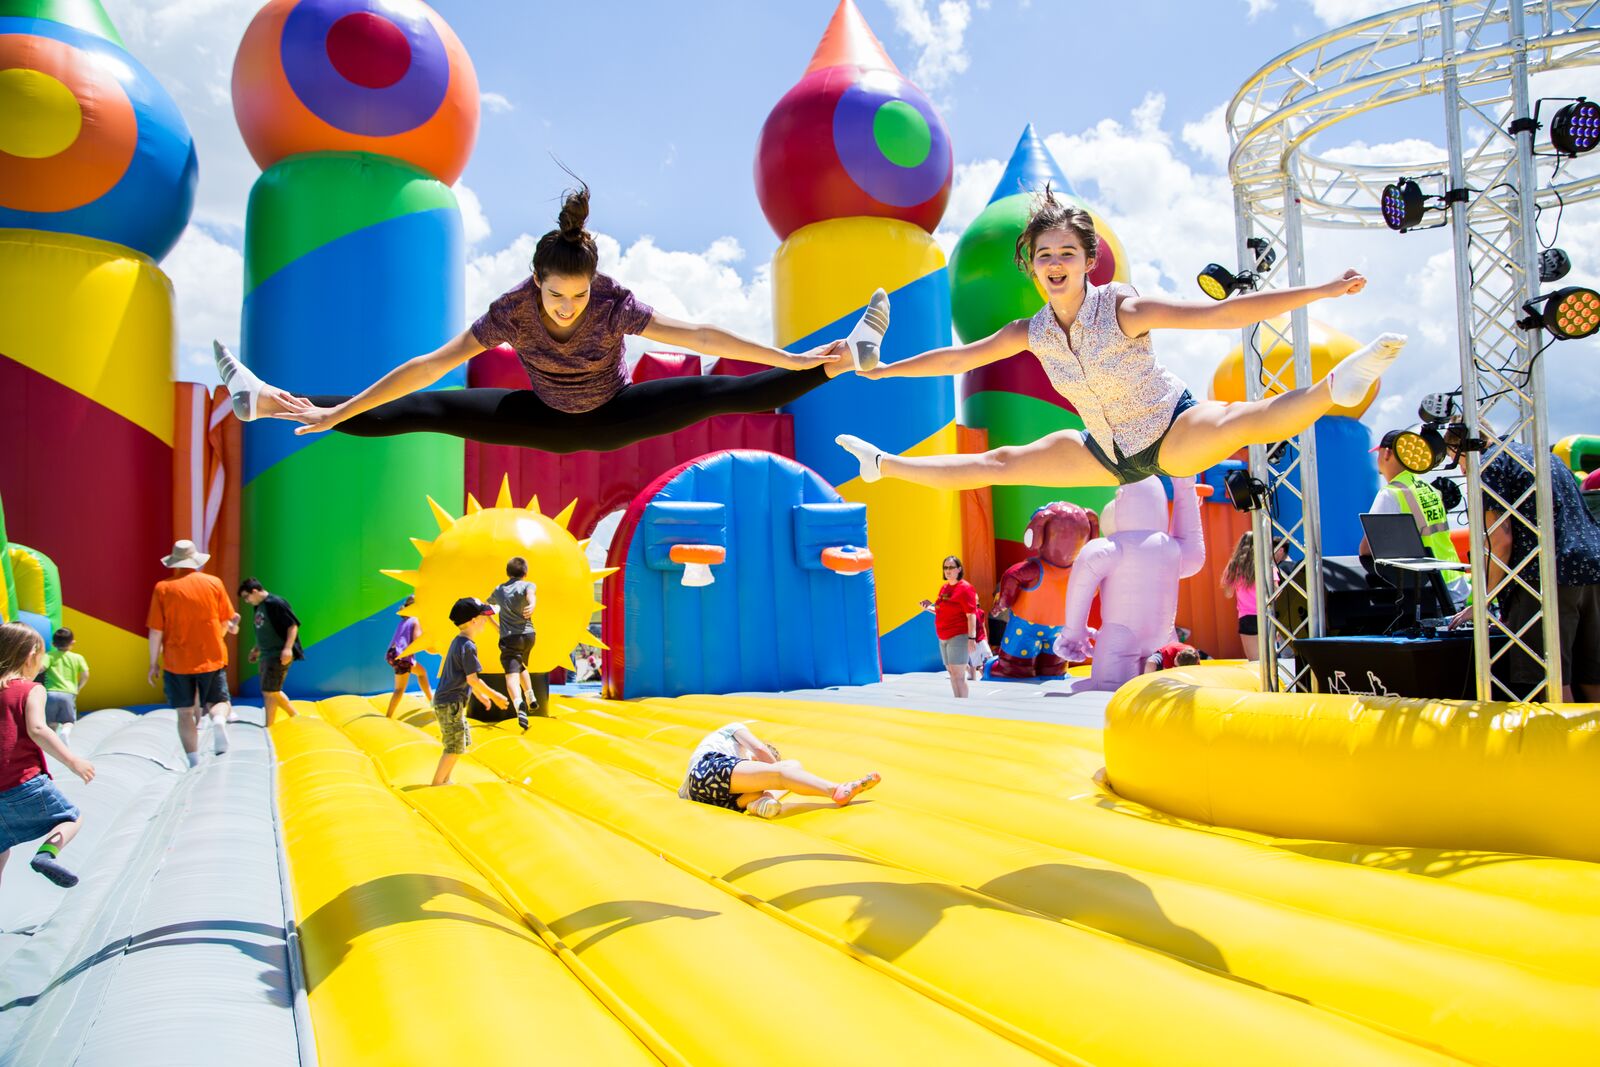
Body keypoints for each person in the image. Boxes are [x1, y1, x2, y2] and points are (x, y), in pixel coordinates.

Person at [212, 183, 885, 453]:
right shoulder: (512, 310)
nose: (568, 307)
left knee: (722, 391)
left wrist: (795, 357)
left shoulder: (615, 302)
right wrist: (333, 414)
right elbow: (429, 365)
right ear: (537, 283)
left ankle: (839, 357)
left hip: (614, 413)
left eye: (578, 295)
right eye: (557, 295)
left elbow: (702, 335)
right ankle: (268, 400)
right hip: (539, 417)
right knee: (427, 407)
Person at [835, 188, 1403, 490]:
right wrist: (884, 371)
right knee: (998, 462)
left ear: (1088, 261)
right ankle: (882, 466)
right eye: (1044, 256)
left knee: (1242, 421)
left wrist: (1322, 290)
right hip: (1103, 451)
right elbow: (959, 357)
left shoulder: (1124, 307)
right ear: (1031, 268)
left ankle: (1336, 385)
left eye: (1067, 254)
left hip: (1171, 429)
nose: (1055, 263)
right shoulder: (1029, 332)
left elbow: (1224, 314)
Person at [1449, 436, 1600, 702]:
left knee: (1552, 683)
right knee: (1591, 678)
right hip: (1590, 567)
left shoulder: (1489, 465)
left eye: (1456, 461)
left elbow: (1501, 541)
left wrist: (1484, 600)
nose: (1461, 470)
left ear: (1460, 448)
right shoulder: (1547, 457)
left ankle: (1560, 744)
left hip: (1543, 578)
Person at [0, 622, 95, 889]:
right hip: (24, 783)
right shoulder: (31, 690)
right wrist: (72, 760)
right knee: (72, 818)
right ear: (30, 655)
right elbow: (38, 729)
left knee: (1, 849)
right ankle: (46, 855)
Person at [147, 540, 239, 768]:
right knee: (219, 701)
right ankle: (218, 720)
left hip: (177, 660)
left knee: (185, 713)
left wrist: (153, 663)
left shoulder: (163, 588)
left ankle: (193, 759)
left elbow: (156, 631)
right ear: (195, 560)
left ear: (174, 562)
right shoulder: (213, 583)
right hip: (212, 656)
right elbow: (227, 621)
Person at [1358, 429, 1469, 608]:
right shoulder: (1430, 489)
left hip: (1430, 591)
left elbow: (1367, 550)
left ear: (1387, 453)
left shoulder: (1391, 493)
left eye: (1378, 453)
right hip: (1454, 582)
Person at [678, 721, 880, 818]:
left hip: (709, 796)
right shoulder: (732, 730)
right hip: (706, 769)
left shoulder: (740, 772)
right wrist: (776, 766)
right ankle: (834, 789)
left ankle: (760, 802)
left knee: (789, 771)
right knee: (789, 769)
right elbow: (758, 748)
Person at [430, 598, 509, 787]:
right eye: (484, 617)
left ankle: (445, 779)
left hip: (450, 701)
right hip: (450, 703)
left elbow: (463, 677)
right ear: (474, 620)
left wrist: (480, 696)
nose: (486, 621)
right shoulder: (467, 646)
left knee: (461, 741)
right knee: (453, 746)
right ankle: (437, 783)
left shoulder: (459, 642)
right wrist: (495, 696)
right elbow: (473, 679)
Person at [487, 557, 544, 729]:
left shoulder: (499, 589)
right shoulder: (528, 585)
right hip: (529, 636)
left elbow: (486, 608)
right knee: (522, 666)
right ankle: (531, 696)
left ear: (507, 572)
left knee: (511, 675)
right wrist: (532, 605)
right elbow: (531, 596)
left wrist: (496, 626)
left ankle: (519, 703)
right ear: (525, 573)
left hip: (510, 638)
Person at [238, 578, 303, 726]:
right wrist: (256, 649)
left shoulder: (275, 603)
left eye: (246, 597)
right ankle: (294, 715)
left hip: (277, 653)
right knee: (272, 690)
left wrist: (287, 649)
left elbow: (292, 626)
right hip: (267, 653)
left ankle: (270, 725)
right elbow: (264, 631)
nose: (247, 601)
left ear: (254, 591)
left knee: (269, 691)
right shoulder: (259, 606)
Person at [918, 556, 980, 698]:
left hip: (958, 635)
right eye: (945, 568)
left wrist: (972, 638)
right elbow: (941, 610)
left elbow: (971, 615)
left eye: (951, 567)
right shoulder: (944, 588)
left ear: (959, 569)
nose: (948, 571)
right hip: (943, 636)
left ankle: (963, 705)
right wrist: (929, 607)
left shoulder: (965, 588)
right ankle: (957, 703)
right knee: (952, 673)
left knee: (958, 675)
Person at [385, 596, 433, 718]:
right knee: (400, 689)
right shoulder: (415, 620)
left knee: (422, 672)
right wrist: (429, 647)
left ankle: (432, 701)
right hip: (402, 657)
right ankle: (388, 716)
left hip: (393, 653)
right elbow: (417, 640)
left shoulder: (404, 620)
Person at [41, 628, 89, 743]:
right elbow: (85, 674)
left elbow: (40, 668)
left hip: (51, 693)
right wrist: (78, 687)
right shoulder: (77, 658)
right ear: (72, 642)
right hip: (68, 693)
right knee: (68, 721)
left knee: (50, 722)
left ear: (53, 644)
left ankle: (51, 743)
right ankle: (65, 732)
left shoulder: (49, 656)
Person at [1222, 532, 1262, 661]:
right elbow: (1276, 591)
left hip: (1246, 617)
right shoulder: (1265, 564)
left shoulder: (1234, 566)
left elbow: (1228, 594)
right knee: (1271, 659)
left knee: (1254, 661)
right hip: (1267, 615)